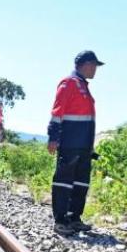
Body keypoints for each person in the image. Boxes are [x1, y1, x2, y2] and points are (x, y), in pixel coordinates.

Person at [47, 50, 104, 236]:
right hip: (70, 143)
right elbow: (57, 112)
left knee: (81, 183)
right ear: (85, 64)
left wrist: (90, 147)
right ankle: (61, 221)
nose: (95, 69)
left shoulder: (83, 86)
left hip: (84, 146)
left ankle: (74, 218)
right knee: (64, 183)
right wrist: (53, 137)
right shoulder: (69, 83)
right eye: (94, 65)